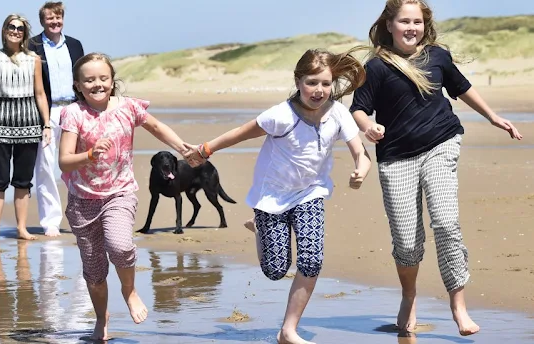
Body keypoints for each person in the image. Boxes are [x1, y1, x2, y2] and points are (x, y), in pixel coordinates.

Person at [349, 0, 523, 336]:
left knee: (445, 222)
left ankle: (458, 306)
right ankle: (409, 294)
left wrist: (493, 116)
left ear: (424, 24)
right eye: (404, 22)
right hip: (396, 156)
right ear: (389, 25)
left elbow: (463, 88)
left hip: (441, 144)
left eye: (417, 21)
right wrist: (367, 127)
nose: (411, 28)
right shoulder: (377, 67)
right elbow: (358, 108)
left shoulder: (437, 57)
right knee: (407, 240)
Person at [186, 48, 372, 344]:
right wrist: (206, 150)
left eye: (325, 83)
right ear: (299, 81)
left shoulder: (337, 113)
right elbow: (241, 133)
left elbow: (360, 151)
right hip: (271, 198)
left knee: (311, 261)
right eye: (312, 82)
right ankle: (259, 228)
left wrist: (361, 169)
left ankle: (288, 330)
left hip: (310, 194)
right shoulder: (281, 115)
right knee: (275, 270)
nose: (319, 90)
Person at [58, 52, 198, 341]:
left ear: (112, 80)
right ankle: (102, 319)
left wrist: (183, 148)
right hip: (82, 201)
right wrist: (89, 154)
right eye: (89, 80)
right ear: (78, 85)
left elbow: (157, 127)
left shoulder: (128, 107)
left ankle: (130, 290)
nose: (97, 84)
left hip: (120, 193)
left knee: (120, 246)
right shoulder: (73, 113)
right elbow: (64, 161)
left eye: (103, 78)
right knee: (94, 271)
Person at [0, 14, 51, 243]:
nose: (16, 31)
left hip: (29, 124)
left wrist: (46, 125)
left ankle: (21, 228)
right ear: (4, 30)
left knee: (23, 179)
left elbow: (40, 94)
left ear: (24, 34)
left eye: (20, 28)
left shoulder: (34, 59)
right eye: (12, 27)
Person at [29, 1, 84, 237]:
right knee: (45, 167)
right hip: (46, 111)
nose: (55, 22)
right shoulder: (32, 46)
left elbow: (83, 78)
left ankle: (81, 215)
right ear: (43, 21)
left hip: (74, 110)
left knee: (78, 165)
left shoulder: (74, 45)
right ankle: (51, 220)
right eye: (50, 18)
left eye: (58, 18)